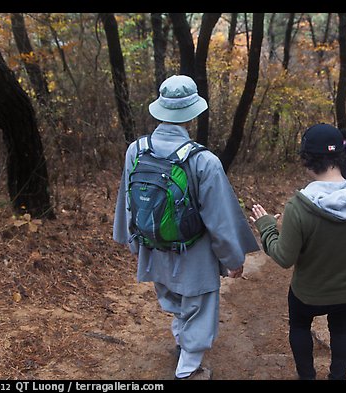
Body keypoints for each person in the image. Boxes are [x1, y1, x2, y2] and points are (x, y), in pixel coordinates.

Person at [113, 75, 259, 380]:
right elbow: (219, 220)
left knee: (177, 303)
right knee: (199, 307)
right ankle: (188, 369)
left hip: (154, 246)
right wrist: (234, 259)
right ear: (192, 113)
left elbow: (127, 200)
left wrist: (132, 242)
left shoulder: (137, 150)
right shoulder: (203, 160)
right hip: (194, 254)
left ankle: (182, 346)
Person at [249, 123, 346, 380]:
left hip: (308, 294)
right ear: (341, 156)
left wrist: (267, 226)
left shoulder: (299, 206)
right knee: (341, 328)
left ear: (307, 160)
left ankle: (307, 376)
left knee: (300, 325)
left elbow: (283, 257)